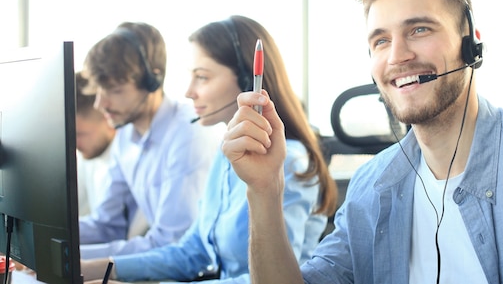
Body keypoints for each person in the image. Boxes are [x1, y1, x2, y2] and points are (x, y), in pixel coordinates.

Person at [222, 0, 503, 283]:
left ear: (470, 43)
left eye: (418, 29)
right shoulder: (371, 190)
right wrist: (264, 190)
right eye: (380, 40)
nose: (397, 55)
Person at [80, 15, 337, 283]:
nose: (189, 92)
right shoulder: (227, 155)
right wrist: (99, 267)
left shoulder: (288, 163)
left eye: (201, 77)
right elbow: (193, 252)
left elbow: (277, 277)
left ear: (249, 80)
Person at [79, 21, 220, 259]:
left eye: (114, 90)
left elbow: (170, 244)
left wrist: (71, 258)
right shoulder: (125, 135)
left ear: (152, 82)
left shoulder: (187, 134)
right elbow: (107, 225)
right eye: (99, 90)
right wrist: (50, 239)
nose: (100, 104)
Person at [75, 71, 117, 216]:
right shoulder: (87, 156)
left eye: (79, 134)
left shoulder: (125, 163)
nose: (75, 145)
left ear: (108, 120)